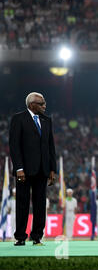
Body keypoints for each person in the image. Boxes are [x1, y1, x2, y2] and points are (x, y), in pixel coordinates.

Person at [9, 92, 57, 246]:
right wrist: (19, 168)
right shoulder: (19, 118)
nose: (44, 105)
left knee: (40, 204)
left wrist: (52, 169)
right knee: (22, 203)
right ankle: (20, 237)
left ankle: (37, 236)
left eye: (44, 103)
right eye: (41, 103)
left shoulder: (47, 120)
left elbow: (51, 146)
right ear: (31, 104)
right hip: (24, 170)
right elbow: (14, 146)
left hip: (42, 169)